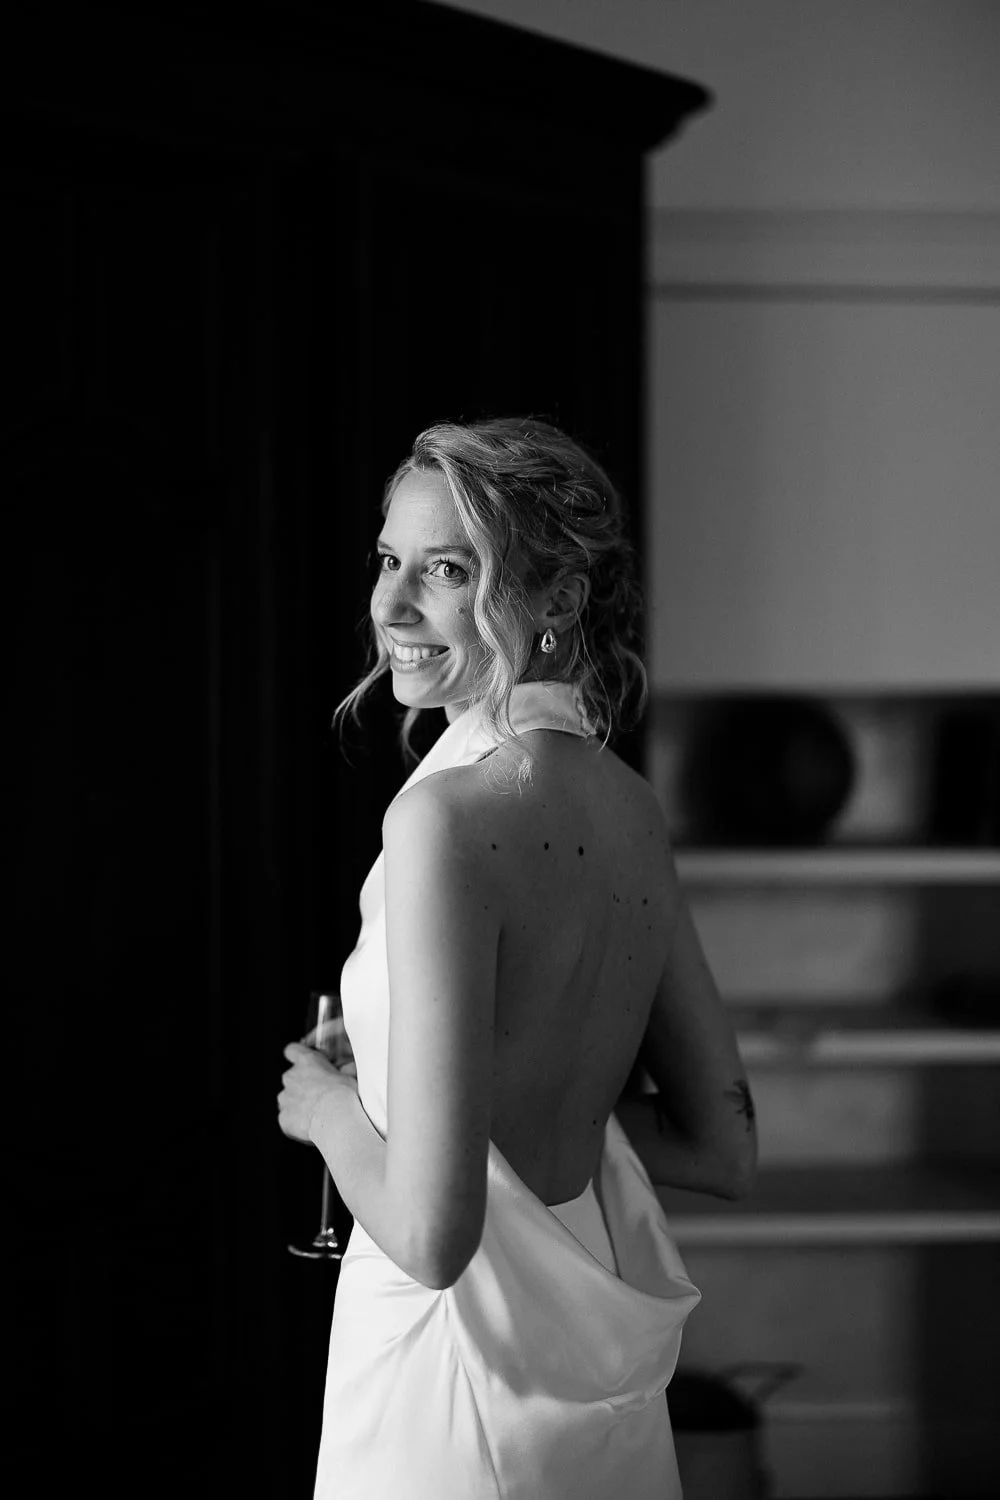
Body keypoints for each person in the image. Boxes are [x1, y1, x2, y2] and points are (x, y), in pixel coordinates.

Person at [277, 417, 757, 1499]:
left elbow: (431, 1236)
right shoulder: (633, 812)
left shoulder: (444, 818)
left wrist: (333, 1112)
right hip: (586, 1354)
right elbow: (722, 1141)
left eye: (448, 571)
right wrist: (497, 1104)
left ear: (559, 600)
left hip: (446, 1360)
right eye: (388, 561)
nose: (391, 606)